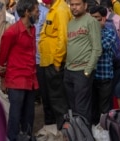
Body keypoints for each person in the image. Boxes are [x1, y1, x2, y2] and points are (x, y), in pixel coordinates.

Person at [0, 0, 39, 140]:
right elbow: (2, 59)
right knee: (15, 115)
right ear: (27, 12)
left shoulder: (32, 29)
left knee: (29, 114)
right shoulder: (12, 32)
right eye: (36, 10)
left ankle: (27, 136)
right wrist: (3, 80)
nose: (38, 13)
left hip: (31, 79)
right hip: (16, 80)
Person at [64, 0, 102, 125]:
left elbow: (97, 48)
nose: (74, 7)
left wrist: (87, 70)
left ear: (85, 5)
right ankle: (77, 134)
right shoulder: (70, 23)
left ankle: (85, 135)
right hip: (69, 71)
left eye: (78, 4)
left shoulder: (91, 21)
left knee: (82, 108)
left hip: (82, 71)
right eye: (72, 5)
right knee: (72, 107)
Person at [38, 0, 72, 129]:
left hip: (55, 62)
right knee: (51, 96)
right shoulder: (54, 8)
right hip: (48, 61)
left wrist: (58, 61)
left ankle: (64, 129)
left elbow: (63, 38)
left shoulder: (61, 10)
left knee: (58, 97)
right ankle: (54, 126)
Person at [89, 5, 116, 125]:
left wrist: (97, 31)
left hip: (105, 76)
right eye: (92, 18)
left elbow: (99, 48)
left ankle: (104, 131)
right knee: (92, 107)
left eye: (97, 18)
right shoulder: (87, 32)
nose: (94, 21)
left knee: (104, 108)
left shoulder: (110, 32)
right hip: (91, 75)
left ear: (104, 19)